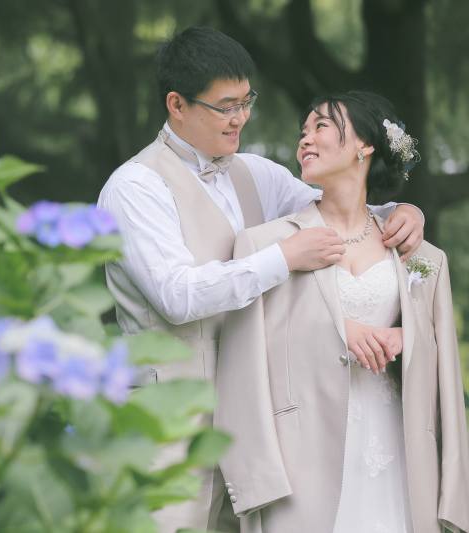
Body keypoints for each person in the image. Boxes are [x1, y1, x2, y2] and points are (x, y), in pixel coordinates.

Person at [97, 27, 425, 532]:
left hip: (259, 418)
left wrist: (402, 210)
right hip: (170, 421)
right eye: (225, 106)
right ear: (177, 105)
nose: (241, 117)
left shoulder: (255, 172)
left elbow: (339, 212)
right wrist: (282, 257)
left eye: (247, 100)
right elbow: (178, 296)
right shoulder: (134, 187)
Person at [214, 91, 469, 533]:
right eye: (302, 132)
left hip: (400, 452)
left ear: (365, 146)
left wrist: (407, 338)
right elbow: (243, 365)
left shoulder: (422, 255)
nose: (305, 140)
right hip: (300, 463)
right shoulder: (265, 244)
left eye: (321, 127)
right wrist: (338, 331)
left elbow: (446, 372)